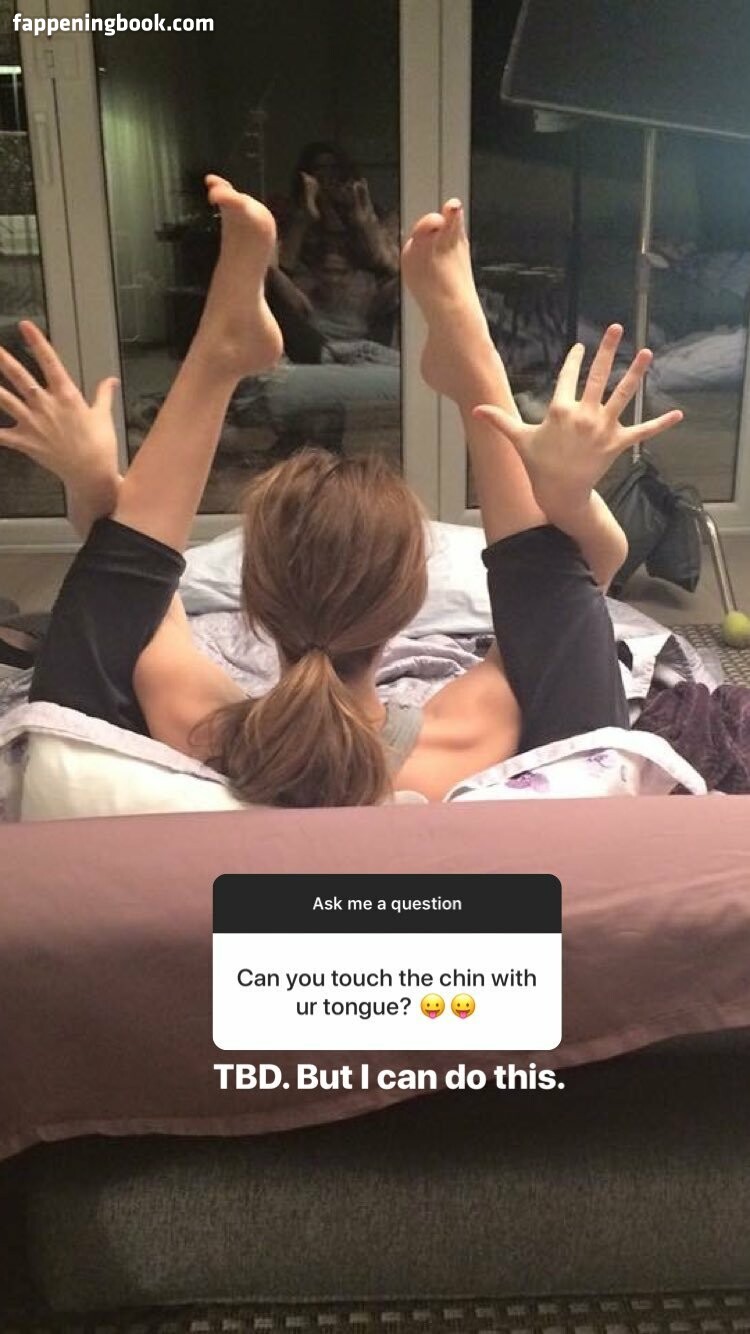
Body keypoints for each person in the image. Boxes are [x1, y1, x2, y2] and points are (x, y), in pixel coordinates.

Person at [0, 176, 683, 807]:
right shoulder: (471, 736)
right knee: (559, 626)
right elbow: (563, 605)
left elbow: (124, 597)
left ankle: (220, 350)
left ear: (256, 606)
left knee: (97, 636)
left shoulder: (191, 726)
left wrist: (93, 487)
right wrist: (566, 494)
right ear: (409, 600)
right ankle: (473, 364)